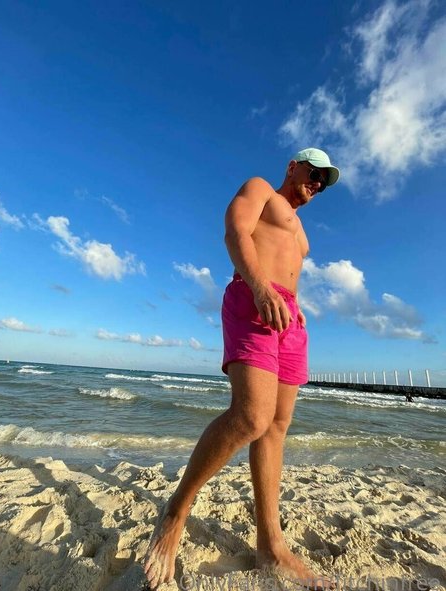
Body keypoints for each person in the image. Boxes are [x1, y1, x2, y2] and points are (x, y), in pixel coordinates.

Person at [144, 148, 340, 589]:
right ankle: (176, 511)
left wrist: (296, 305)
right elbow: (235, 232)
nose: (317, 184)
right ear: (293, 166)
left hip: (288, 318)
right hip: (253, 298)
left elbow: (289, 268)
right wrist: (260, 287)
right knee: (251, 417)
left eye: (324, 182)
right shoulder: (261, 189)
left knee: (276, 427)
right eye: (314, 173)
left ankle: (271, 546)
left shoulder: (302, 233)